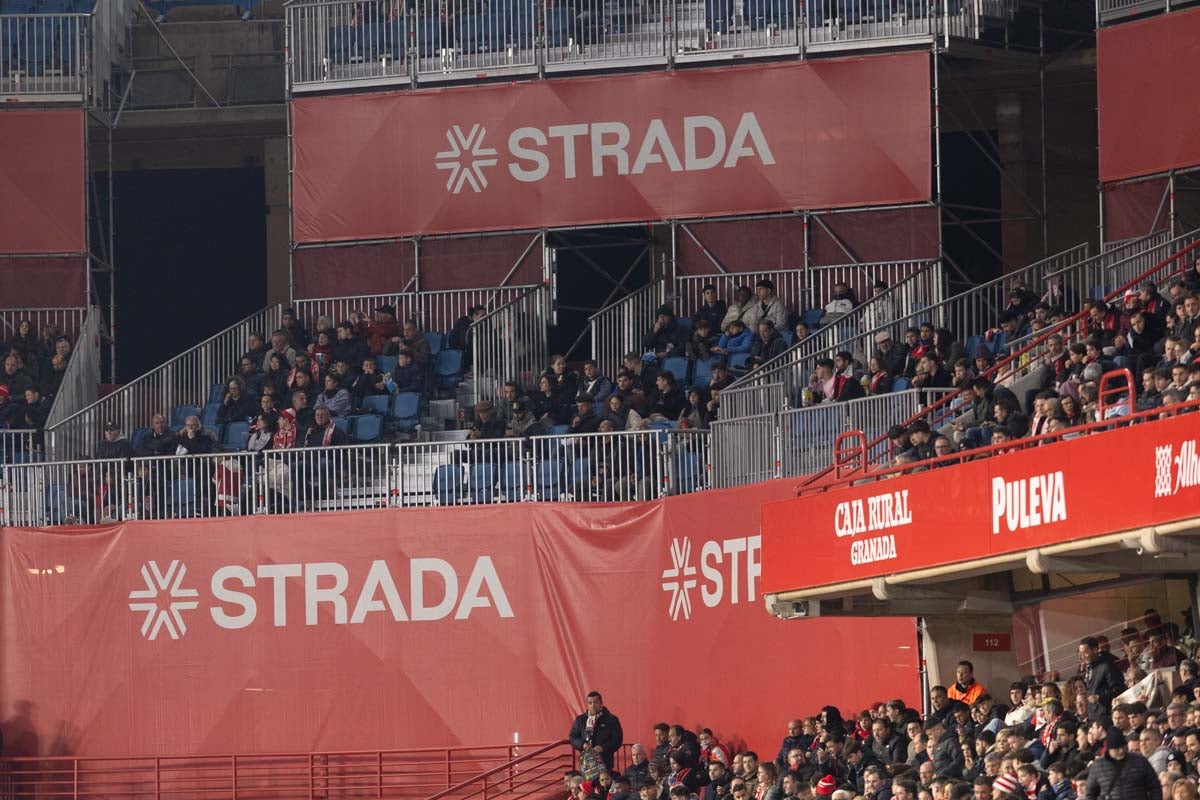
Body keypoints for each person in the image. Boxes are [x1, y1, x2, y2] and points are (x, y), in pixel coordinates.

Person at [1085, 730, 1159, 800]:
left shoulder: (1139, 761)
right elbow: (1090, 794)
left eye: (1123, 747)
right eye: (1117, 749)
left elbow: (1155, 787)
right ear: (1109, 749)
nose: (1121, 751)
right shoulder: (1098, 766)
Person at [569, 692, 623, 772]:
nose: (593, 705)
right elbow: (573, 737)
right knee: (586, 784)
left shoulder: (611, 719)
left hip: (605, 763)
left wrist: (602, 748)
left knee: (604, 784)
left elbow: (617, 740)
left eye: (596, 702)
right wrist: (582, 744)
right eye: (590, 703)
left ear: (601, 703)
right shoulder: (580, 720)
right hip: (586, 764)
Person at [1080, 637, 1126, 721]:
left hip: (1105, 716)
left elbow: (1119, 689)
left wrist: (1099, 696)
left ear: (1095, 650)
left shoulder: (1107, 666)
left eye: (1085, 652)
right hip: (1092, 716)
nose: (1082, 656)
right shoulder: (1088, 667)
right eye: (1081, 653)